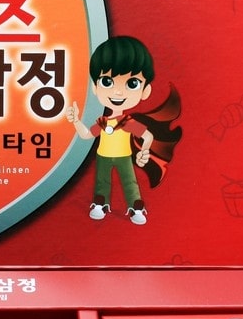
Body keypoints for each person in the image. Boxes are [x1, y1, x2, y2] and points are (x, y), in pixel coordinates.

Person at [67, 35, 182, 224]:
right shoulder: (103, 122)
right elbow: (87, 135)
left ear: (145, 91)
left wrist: (144, 151)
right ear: (95, 88)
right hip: (103, 156)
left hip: (124, 156)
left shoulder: (127, 122)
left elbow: (147, 136)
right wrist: (75, 121)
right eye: (107, 82)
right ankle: (100, 203)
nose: (118, 92)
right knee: (102, 182)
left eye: (132, 84)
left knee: (129, 182)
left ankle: (136, 207)